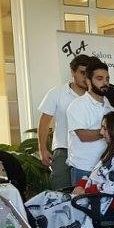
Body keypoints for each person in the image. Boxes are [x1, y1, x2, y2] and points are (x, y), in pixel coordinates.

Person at [26, 112, 114, 228]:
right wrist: (81, 185)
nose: (101, 132)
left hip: (106, 203)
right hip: (95, 199)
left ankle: (28, 226)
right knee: (46, 198)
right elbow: (95, 175)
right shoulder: (113, 152)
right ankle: (27, 224)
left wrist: (86, 191)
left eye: (105, 128)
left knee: (49, 199)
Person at [37, 54, 90, 190]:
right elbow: (44, 123)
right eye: (82, 73)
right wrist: (42, 149)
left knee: (86, 193)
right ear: (73, 72)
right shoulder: (56, 93)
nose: (85, 77)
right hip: (63, 149)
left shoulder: (94, 96)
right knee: (61, 191)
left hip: (89, 151)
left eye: (88, 73)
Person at [66, 59, 114, 184]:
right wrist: (109, 131)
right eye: (99, 78)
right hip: (84, 168)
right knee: (81, 197)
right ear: (88, 81)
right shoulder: (77, 105)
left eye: (107, 79)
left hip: (105, 167)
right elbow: (83, 136)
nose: (105, 82)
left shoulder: (109, 106)